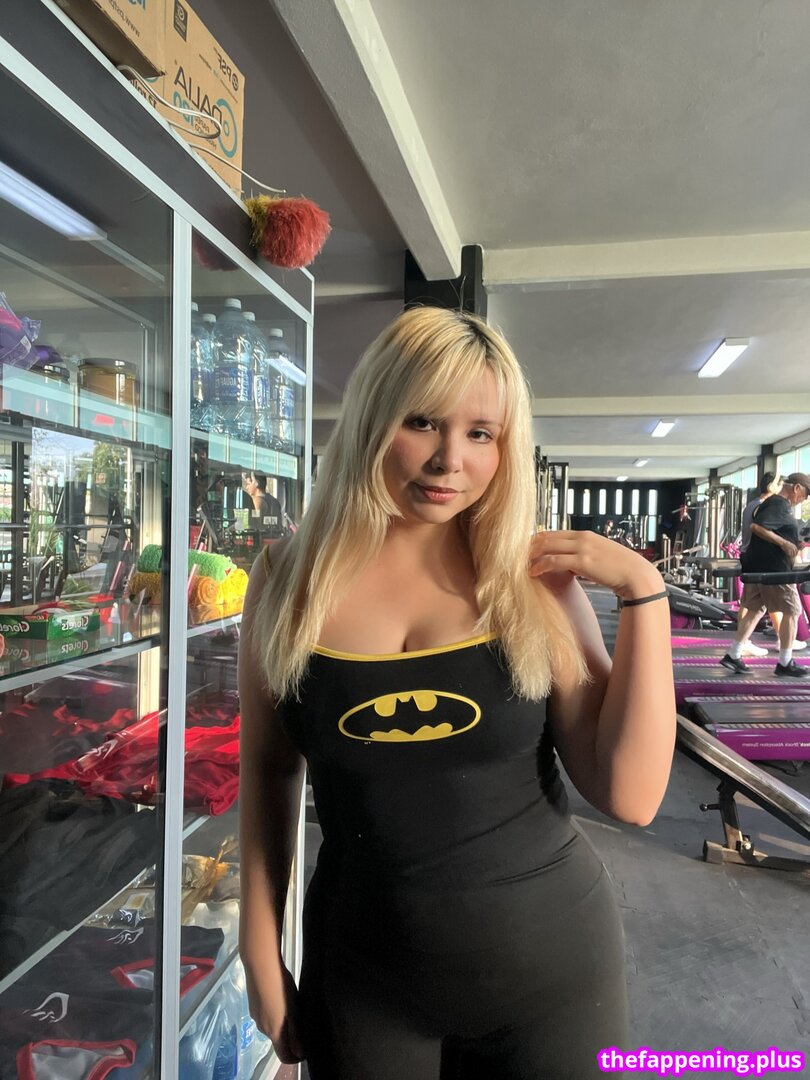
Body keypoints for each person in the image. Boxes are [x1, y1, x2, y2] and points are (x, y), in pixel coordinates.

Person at [237, 307, 676, 1080]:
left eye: (481, 434)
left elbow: (631, 796)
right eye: (422, 422)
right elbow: (270, 770)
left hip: (551, 973)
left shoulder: (531, 584)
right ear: (373, 418)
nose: (449, 460)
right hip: (363, 973)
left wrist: (644, 593)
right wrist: (258, 946)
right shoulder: (285, 580)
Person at [721, 472, 810, 678]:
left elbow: (768, 529)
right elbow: (757, 527)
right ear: (796, 488)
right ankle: (785, 662)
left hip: (759, 566)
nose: (804, 500)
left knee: (754, 610)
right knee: (792, 611)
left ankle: (733, 654)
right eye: (805, 495)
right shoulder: (779, 503)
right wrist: (785, 543)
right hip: (774, 570)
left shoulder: (771, 504)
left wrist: (795, 543)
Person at [242, 471, 284, 539]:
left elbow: (250, 523)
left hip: (261, 541)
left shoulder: (257, 500)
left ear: (256, 483)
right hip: (276, 539)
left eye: (248, 484)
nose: (247, 487)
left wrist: (229, 530)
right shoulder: (275, 501)